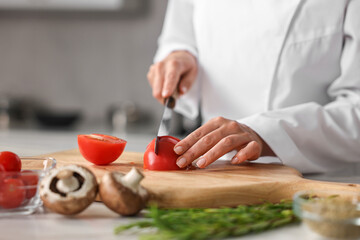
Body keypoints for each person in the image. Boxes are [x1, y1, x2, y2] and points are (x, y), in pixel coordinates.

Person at [147, 0, 360, 173]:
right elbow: (179, 35)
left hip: (318, 185)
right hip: (212, 171)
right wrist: (181, 55)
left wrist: (266, 133)